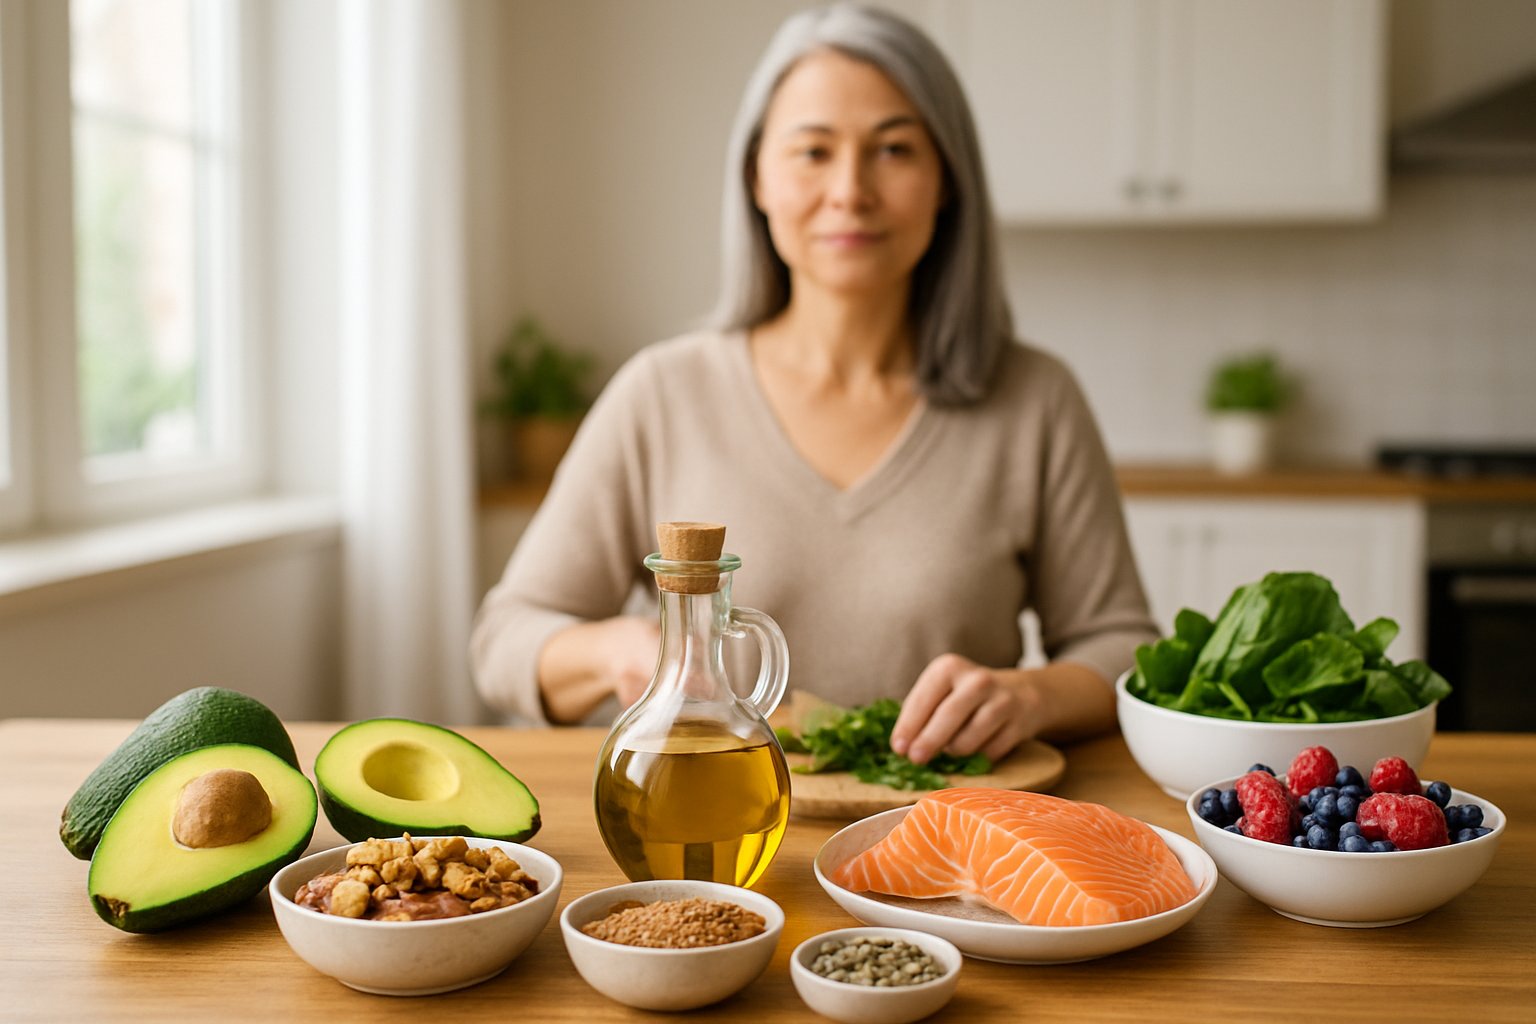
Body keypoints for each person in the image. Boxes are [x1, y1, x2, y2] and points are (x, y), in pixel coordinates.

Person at [471, 3, 1157, 764]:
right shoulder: (662, 393)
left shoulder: (1036, 400)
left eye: (894, 149)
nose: (850, 191)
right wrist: (622, 653)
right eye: (812, 151)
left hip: (950, 840)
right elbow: (506, 640)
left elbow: (1123, 647)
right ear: (757, 178)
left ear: (948, 182)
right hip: (710, 843)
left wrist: (1029, 694)